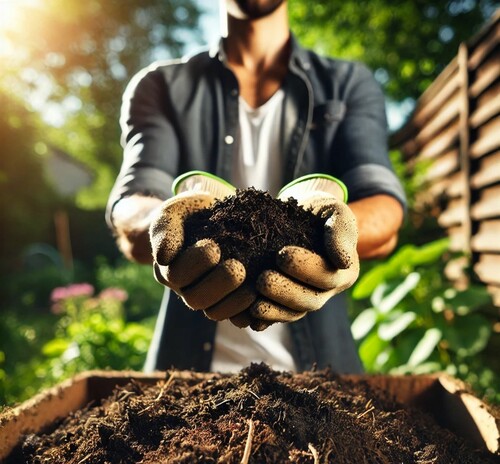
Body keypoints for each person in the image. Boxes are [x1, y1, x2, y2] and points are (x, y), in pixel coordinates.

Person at [106, 0, 406, 375]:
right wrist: (165, 220)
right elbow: (135, 198)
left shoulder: (346, 84)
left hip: (321, 379)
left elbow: (380, 197)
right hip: (189, 381)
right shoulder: (162, 86)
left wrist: (339, 230)